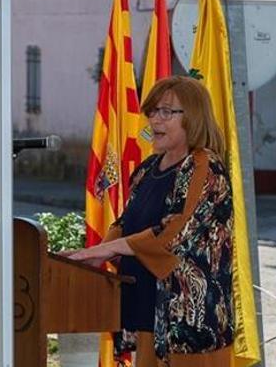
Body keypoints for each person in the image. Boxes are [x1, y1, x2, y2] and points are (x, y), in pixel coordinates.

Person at [67, 75, 234, 367]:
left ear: (193, 117)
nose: (155, 119)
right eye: (152, 111)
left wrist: (106, 249)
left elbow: (175, 231)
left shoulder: (202, 166)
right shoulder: (148, 169)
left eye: (167, 112)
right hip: (148, 315)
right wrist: (93, 256)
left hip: (190, 326)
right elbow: (126, 222)